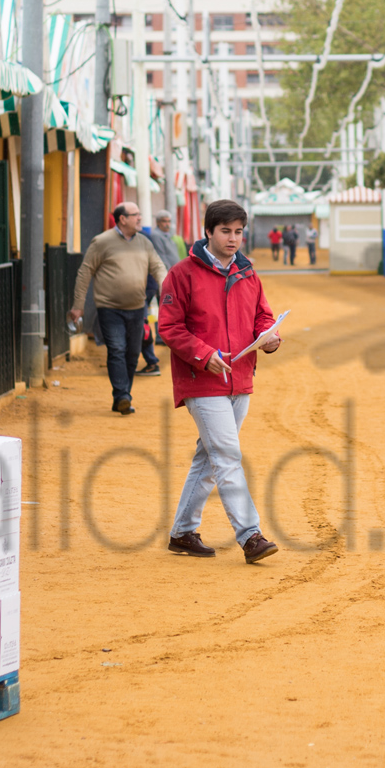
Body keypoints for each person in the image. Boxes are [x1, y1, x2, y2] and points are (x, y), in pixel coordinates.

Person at [158, 199, 281, 564]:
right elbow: (169, 327)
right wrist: (203, 354)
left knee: (209, 457)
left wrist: (269, 337)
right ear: (208, 231)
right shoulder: (181, 274)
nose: (233, 238)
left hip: (240, 378)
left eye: (238, 232)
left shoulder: (248, 272)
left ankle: (182, 532)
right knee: (226, 456)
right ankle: (251, 535)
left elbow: (262, 316)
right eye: (225, 231)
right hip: (201, 379)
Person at [68, 202, 168, 415]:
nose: (140, 218)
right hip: (109, 308)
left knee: (132, 353)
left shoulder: (144, 242)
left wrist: (165, 286)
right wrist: (78, 306)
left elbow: (158, 267)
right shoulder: (102, 242)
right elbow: (85, 272)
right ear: (122, 219)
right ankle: (122, 395)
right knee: (117, 349)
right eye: (135, 215)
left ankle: (123, 396)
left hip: (137, 308)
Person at [139, 213, 183, 377]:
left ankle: (160, 341)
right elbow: (161, 259)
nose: (167, 224)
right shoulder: (156, 236)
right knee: (149, 316)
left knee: (162, 311)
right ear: (157, 222)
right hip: (159, 280)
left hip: (162, 280)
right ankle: (159, 342)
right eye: (164, 221)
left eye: (169, 221)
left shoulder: (169, 236)